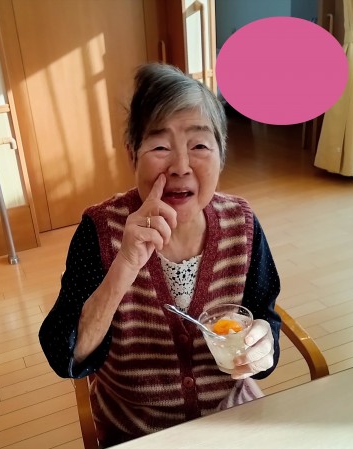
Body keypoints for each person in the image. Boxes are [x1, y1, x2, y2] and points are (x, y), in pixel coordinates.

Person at [39, 63, 281, 447]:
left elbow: (263, 314)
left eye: (199, 146)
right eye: (160, 147)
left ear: (221, 155)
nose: (180, 167)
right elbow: (64, 355)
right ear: (132, 154)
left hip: (234, 420)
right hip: (136, 432)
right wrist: (125, 264)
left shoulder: (242, 223)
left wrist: (264, 344)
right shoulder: (100, 230)